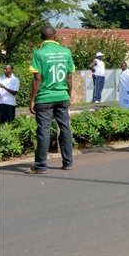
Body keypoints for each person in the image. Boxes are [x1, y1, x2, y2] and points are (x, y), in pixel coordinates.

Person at [26, 26, 75, 173]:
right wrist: (69, 94)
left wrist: (32, 99)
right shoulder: (66, 52)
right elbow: (70, 76)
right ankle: (68, 162)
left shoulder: (39, 53)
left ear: (42, 38)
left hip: (44, 98)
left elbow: (37, 78)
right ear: (55, 37)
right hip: (62, 96)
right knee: (65, 128)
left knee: (44, 131)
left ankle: (41, 165)